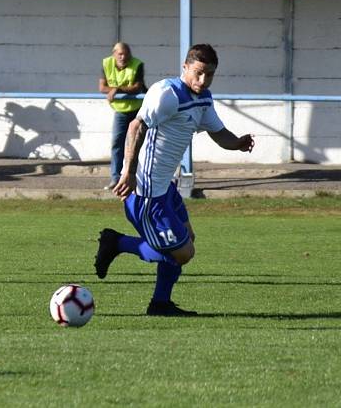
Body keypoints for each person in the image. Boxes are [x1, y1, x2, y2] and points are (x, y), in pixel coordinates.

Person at [94, 44, 255, 316]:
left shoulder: (203, 99)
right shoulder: (167, 94)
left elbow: (218, 133)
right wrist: (128, 172)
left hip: (164, 188)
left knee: (186, 239)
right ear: (185, 67)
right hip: (145, 192)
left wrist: (237, 143)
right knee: (182, 253)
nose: (203, 81)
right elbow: (136, 126)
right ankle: (118, 243)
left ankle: (160, 303)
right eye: (199, 73)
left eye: (210, 75)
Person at [99, 42, 146, 190]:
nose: (123, 57)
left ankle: (140, 176)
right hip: (120, 111)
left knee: (139, 143)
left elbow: (137, 87)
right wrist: (113, 89)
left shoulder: (137, 64)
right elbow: (102, 87)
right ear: (114, 54)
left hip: (137, 111)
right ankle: (116, 178)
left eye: (126, 54)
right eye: (120, 54)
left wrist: (117, 89)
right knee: (117, 143)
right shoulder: (107, 64)